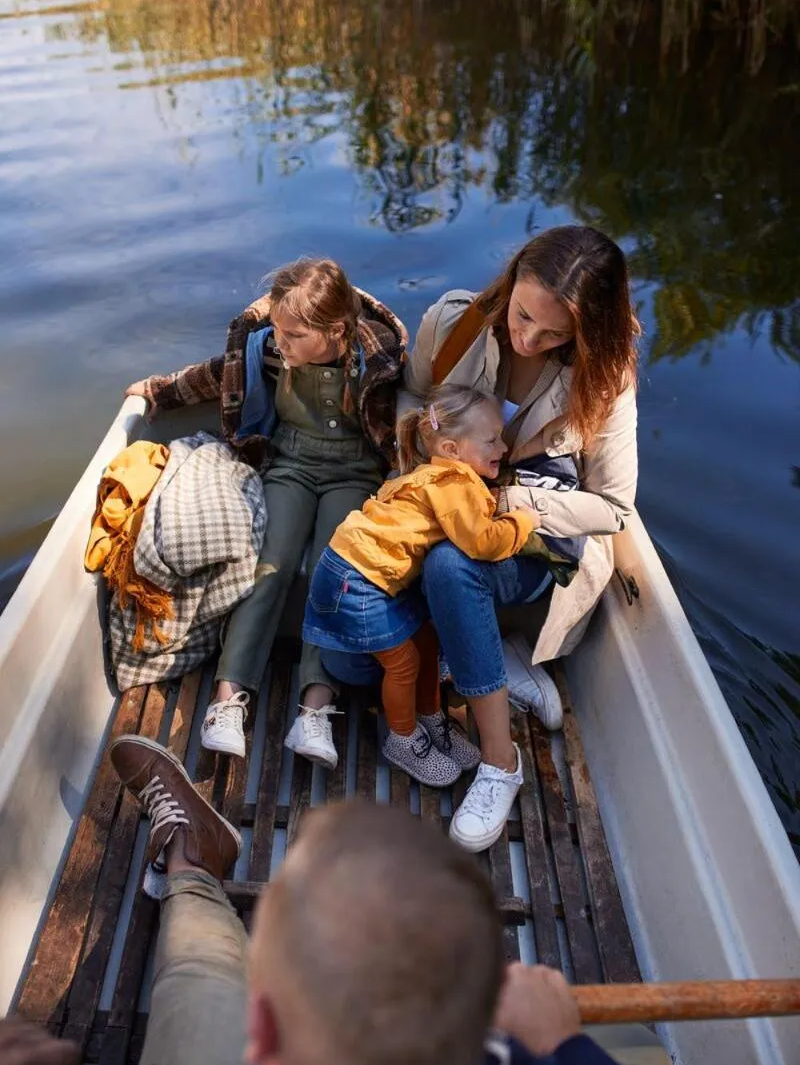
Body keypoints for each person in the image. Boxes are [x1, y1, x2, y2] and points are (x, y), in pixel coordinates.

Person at [0, 736, 750, 1065]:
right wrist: (563, 1053)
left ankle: (192, 867)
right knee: (638, 1047)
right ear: (482, 1037)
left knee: (197, 972)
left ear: (261, 1033)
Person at [401, 224, 639, 851]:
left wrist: (513, 500)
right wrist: (428, 467)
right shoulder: (452, 323)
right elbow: (409, 396)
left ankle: (500, 762)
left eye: (554, 333)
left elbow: (613, 508)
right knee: (359, 636)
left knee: (452, 567)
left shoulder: (606, 381)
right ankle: (500, 661)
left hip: (533, 532)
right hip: (448, 500)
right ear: (510, 284)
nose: (528, 337)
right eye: (522, 315)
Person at [126, 258, 407, 771]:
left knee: (333, 572)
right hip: (291, 464)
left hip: (355, 474)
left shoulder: (377, 360)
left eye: (295, 334)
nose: (281, 341)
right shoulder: (267, 347)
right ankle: (227, 699)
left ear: (336, 331)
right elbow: (217, 375)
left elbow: (414, 414)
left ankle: (316, 708)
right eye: (277, 328)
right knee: (267, 566)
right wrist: (160, 391)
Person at [303, 384, 540, 802]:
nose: (503, 447)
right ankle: (403, 738)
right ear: (451, 447)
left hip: (349, 570)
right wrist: (522, 523)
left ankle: (431, 718)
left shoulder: (427, 472)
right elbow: (480, 542)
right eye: (491, 440)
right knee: (405, 664)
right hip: (356, 582)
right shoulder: (454, 483)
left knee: (427, 641)